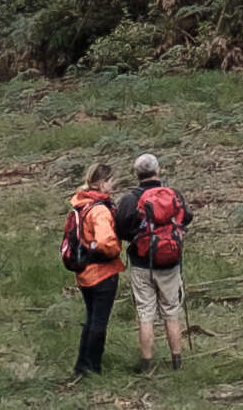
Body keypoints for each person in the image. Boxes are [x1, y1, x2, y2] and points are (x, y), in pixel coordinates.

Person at [119, 153, 193, 367]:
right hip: (171, 262)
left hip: (142, 263)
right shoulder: (173, 194)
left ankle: (146, 361)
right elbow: (186, 218)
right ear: (158, 171)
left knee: (145, 312)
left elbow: (121, 228)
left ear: (136, 174)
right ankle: (177, 359)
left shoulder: (130, 199)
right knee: (171, 312)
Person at [61, 159, 124, 374]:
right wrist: (116, 249)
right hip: (102, 273)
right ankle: (93, 367)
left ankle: (82, 365)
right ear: (102, 182)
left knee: (90, 320)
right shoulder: (100, 210)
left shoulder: (80, 203)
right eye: (111, 181)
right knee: (99, 323)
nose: (113, 185)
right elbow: (106, 242)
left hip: (84, 273)